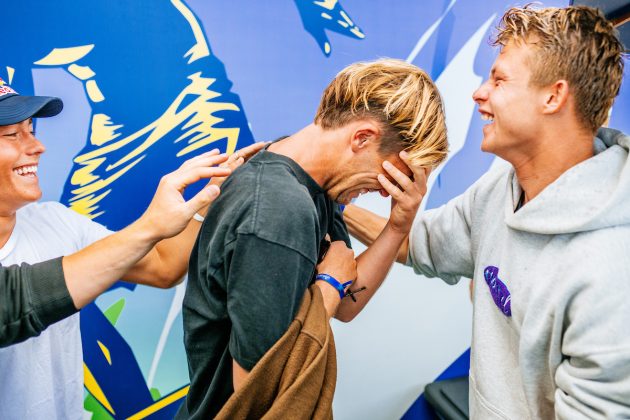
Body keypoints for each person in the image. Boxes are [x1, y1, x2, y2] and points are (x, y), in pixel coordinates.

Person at [340, 5, 630, 419]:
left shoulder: (609, 272)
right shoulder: (502, 189)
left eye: (498, 79)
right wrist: (329, 196)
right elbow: (419, 242)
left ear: (554, 96)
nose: (480, 92)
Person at [178, 58, 449, 418]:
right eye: (390, 175)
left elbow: (348, 305)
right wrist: (329, 284)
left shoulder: (312, 185)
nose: (385, 193)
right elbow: (259, 393)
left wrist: (398, 226)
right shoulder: (277, 210)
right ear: (363, 138)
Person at [0, 79, 265, 419]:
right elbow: (18, 300)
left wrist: (209, 197)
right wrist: (150, 225)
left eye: (31, 130)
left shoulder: (56, 222)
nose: (37, 146)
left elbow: (162, 267)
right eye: (13, 135)